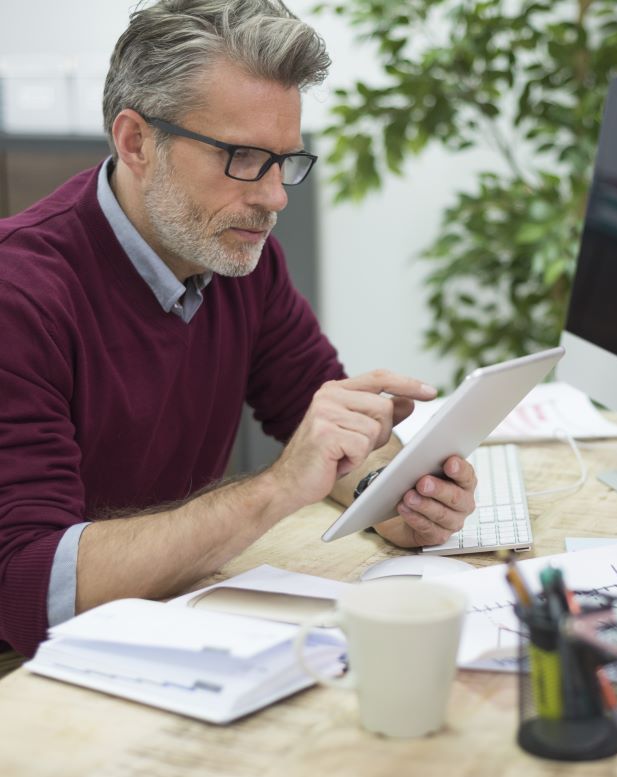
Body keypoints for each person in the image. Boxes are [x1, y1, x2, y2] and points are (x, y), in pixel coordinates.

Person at [0, 0, 476, 665]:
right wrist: (280, 487)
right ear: (136, 142)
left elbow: (326, 435)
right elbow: (33, 593)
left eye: (285, 160)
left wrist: (398, 500)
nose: (276, 196)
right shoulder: (18, 295)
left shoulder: (238, 258)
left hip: (170, 625)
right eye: (244, 157)